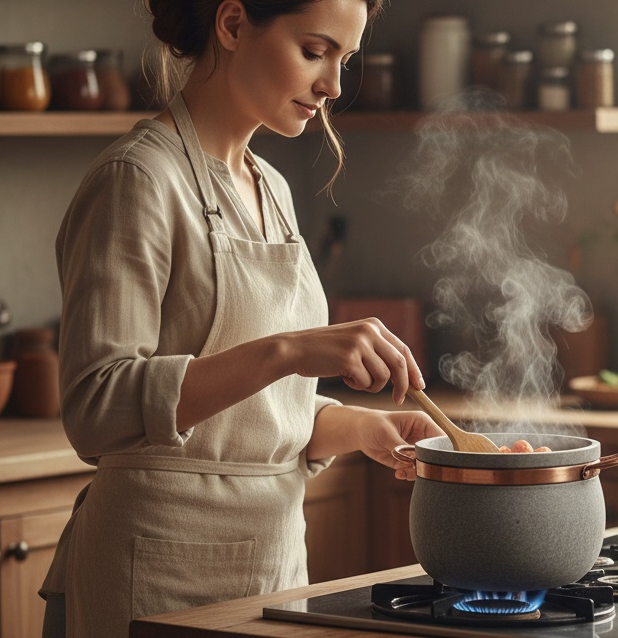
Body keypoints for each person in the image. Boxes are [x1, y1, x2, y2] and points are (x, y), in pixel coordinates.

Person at [39, 1, 442, 636]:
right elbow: (95, 407)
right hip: (156, 567)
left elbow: (250, 419)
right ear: (232, 25)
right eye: (314, 51)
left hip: (273, 563)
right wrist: (289, 352)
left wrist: (360, 429)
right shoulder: (137, 178)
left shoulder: (271, 188)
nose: (334, 86)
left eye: (346, 58)